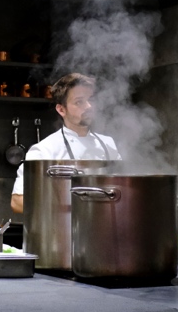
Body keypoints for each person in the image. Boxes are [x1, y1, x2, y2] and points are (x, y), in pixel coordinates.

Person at [11, 73, 122, 213]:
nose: (88, 106)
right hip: (64, 231)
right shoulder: (44, 150)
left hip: (105, 229)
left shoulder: (108, 144)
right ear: (61, 109)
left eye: (91, 100)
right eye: (79, 102)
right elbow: (17, 202)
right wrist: (65, 210)